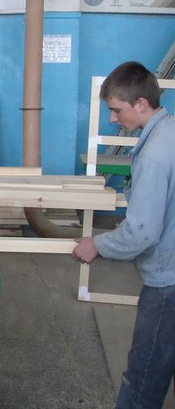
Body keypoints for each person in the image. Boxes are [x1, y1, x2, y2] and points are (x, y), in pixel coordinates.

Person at [72, 61, 175, 408]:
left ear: (141, 104)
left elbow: (143, 232)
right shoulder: (170, 132)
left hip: (168, 282)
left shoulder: (155, 154)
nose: (113, 119)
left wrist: (97, 245)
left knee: (145, 374)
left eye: (117, 110)